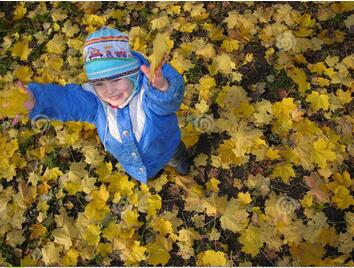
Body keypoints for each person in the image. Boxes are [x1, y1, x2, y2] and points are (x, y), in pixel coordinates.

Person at [18, 27, 190, 184]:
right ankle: (152, 173)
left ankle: (183, 166)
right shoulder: (95, 103)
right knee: (151, 173)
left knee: (177, 158)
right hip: (135, 161)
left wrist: (162, 87)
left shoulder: (147, 94)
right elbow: (67, 101)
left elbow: (168, 102)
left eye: (116, 80)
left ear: (132, 74)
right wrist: (37, 100)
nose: (109, 90)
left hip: (167, 146)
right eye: (99, 84)